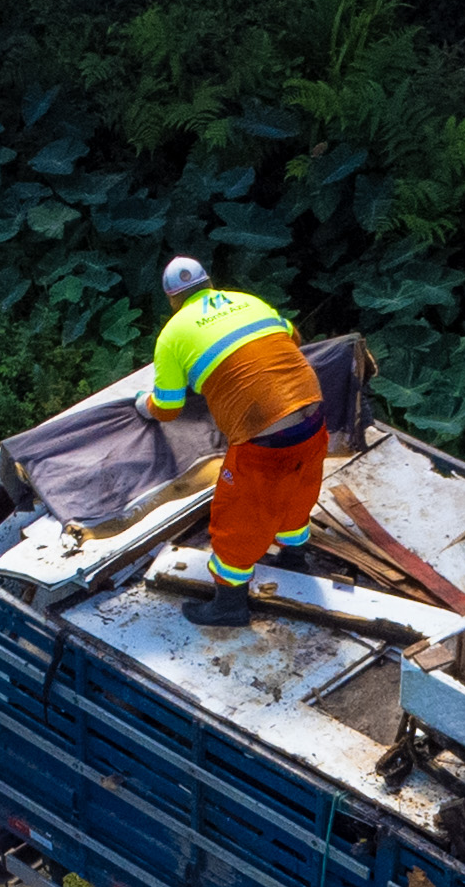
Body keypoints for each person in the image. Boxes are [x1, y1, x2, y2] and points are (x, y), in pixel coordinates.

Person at [140, 255, 327, 627]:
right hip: (312, 415)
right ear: (209, 283)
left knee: (237, 519)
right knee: (297, 491)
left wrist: (143, 405)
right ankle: (294, 559)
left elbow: (168, 408)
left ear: (173, 299)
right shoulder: (249, 301)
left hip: (265, 439)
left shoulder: (173, 335)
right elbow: (293, 338)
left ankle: (229, 606)